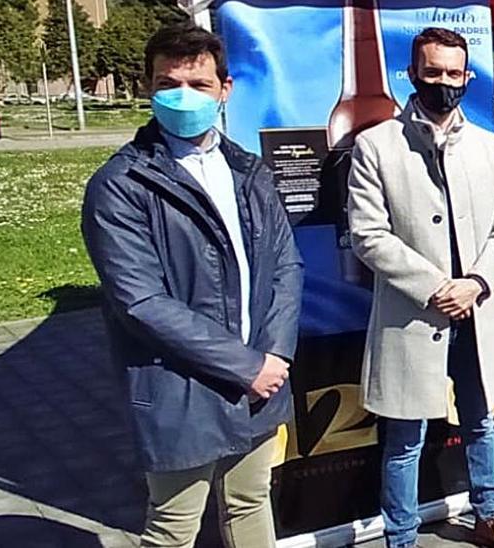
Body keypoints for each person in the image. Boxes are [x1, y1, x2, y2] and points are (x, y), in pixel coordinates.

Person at [80, 23, 302, 548]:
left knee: (250, 503)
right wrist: (246, 367)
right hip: (180, 385)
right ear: (148, 88)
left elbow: (286, 267)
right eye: (167, 84)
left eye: (198, 85)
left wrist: (274, 356)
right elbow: (140, 302)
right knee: (175, 526)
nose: (183, 97)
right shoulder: (121, 186)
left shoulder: (248, 170)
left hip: (260, 378)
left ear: (224, 90)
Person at [345, 28, 494, 548]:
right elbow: (368, 234)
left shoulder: (490, 148)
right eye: (433, 72)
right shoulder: (376, 146)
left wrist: (476, 282)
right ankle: (401, 537)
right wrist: (435, 287)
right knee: (404, 440)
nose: (444, 83)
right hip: (414, 315)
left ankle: (490, 514)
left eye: (454, 73)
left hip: (477, 312)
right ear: (411, 74)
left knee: (482, 421)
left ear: (468, 76)